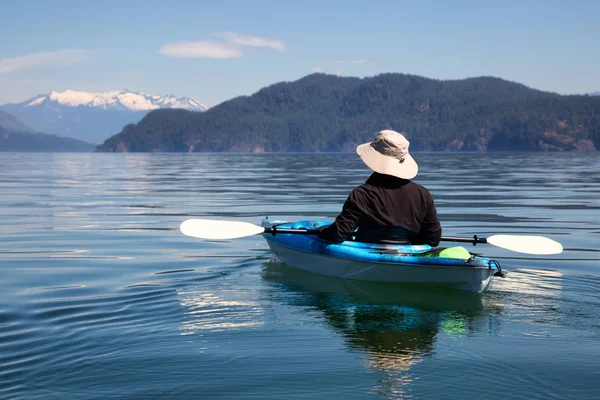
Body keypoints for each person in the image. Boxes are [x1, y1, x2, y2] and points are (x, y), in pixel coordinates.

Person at [318, 129, 441, 246]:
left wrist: (322, 232)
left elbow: (339, 234)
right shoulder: (422, 194)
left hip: (365, 257)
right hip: (408, 258)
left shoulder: (362, 194)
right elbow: (433, 238)